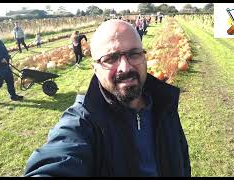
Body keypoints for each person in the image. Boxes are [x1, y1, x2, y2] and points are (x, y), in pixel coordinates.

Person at [24, 19, 190, 177]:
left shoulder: (164, 103)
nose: (125, 67)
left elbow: (181, 159)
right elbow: (58, 160)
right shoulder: (83, 121)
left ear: (144, 57)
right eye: (111, 59)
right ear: (95, 69)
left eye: (134, 54)